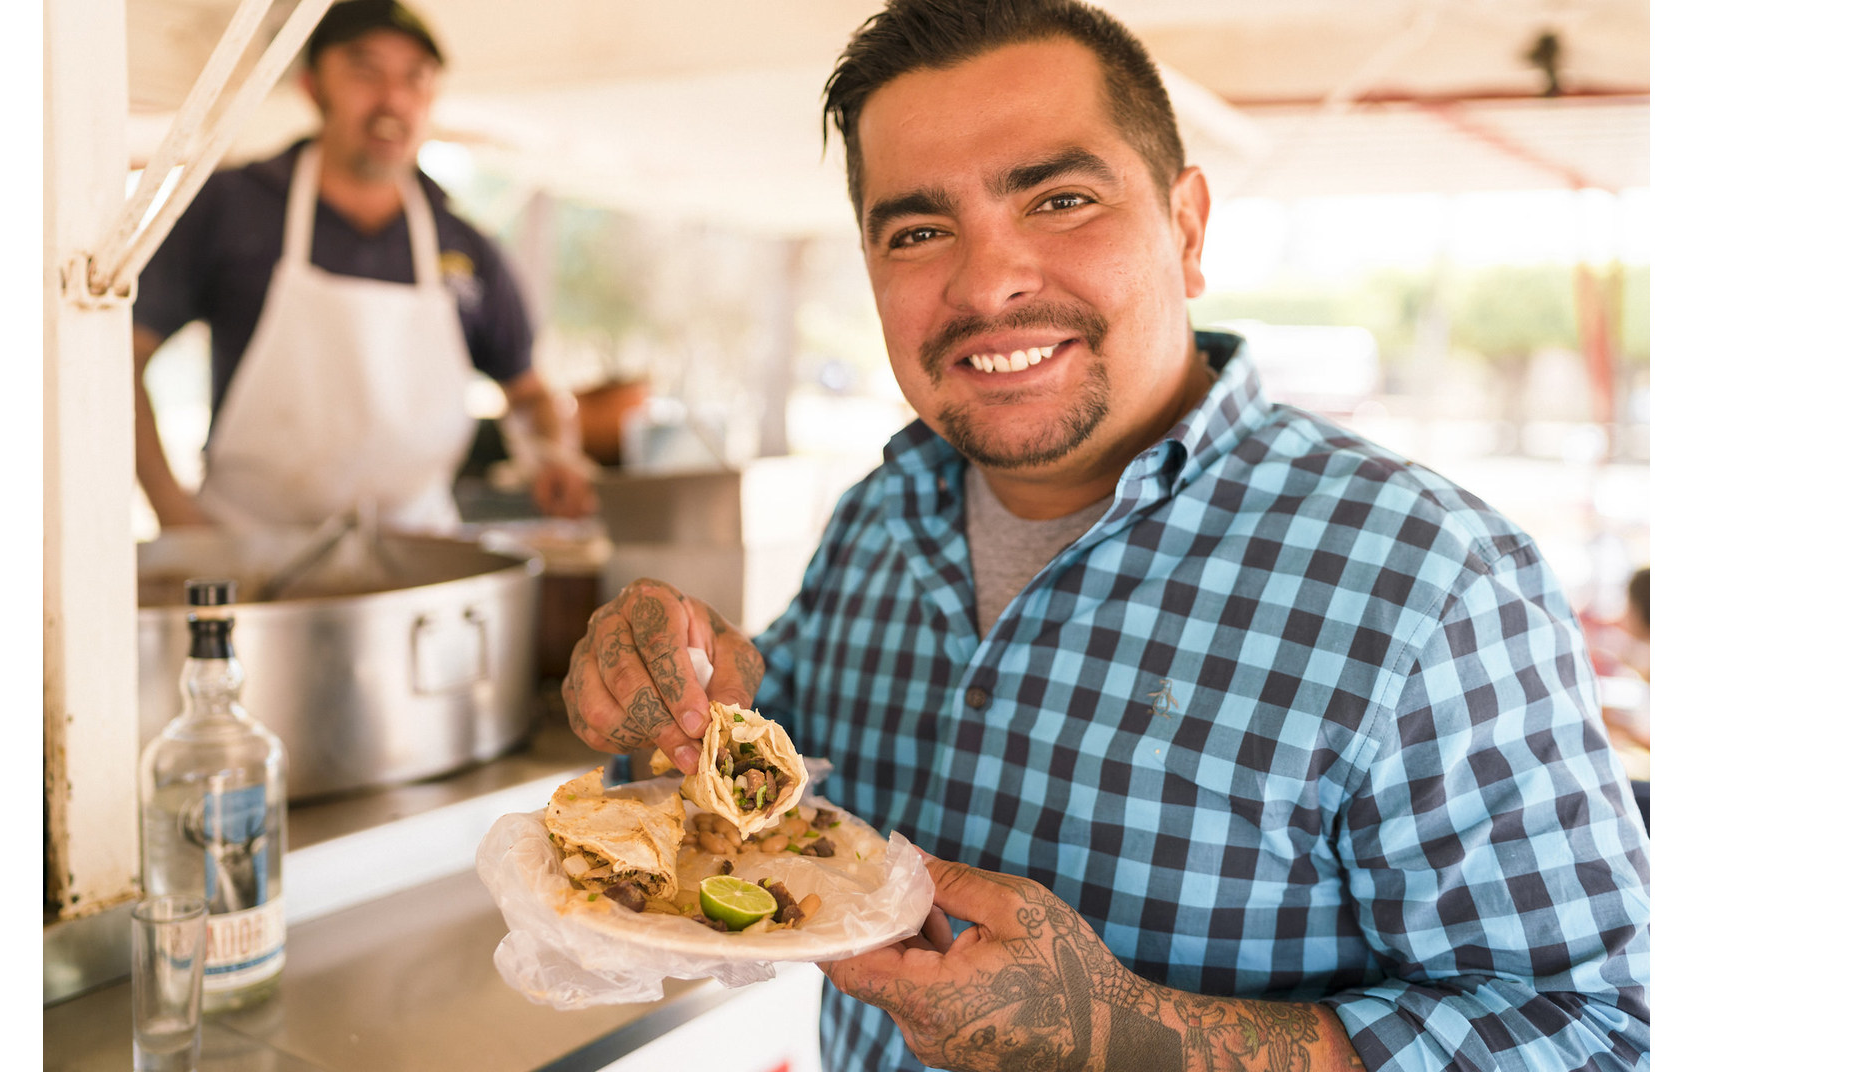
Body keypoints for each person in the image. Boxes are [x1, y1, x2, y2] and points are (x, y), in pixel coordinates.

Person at [561, 2, 1650, 1069]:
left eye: (1061, 198)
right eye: (920, 230)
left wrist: (1132, 1037)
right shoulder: (882, 515)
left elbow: (1600, 1032)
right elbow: (783, 780)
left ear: (1185, 228)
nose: (989, 282)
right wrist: (698, 690)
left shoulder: (1432, 581)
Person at [133, 0, 596, 533]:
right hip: (250, 556)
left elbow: (530, 393)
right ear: (312, 86)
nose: (392, 100)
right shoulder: (230, 206)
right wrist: (172, 510)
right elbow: (122, 357)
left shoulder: (465, 246)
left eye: (415, 79)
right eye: (365, 72)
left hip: (417, 558)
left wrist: (553, 455)